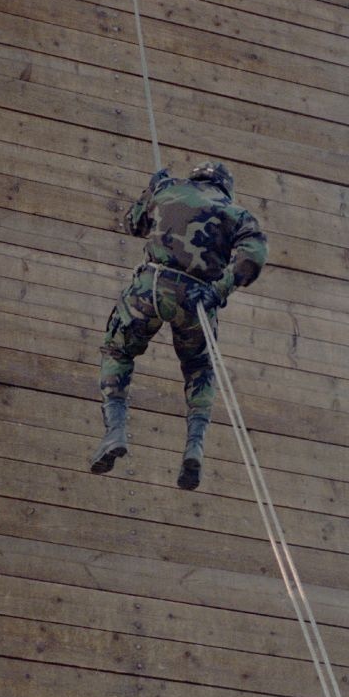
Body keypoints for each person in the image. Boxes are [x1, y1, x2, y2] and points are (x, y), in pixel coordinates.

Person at [91, 161, 268, 490]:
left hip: (151, 287)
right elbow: (254, 254)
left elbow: (132, 224)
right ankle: (194, 447)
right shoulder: (236, 212)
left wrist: (151, 189)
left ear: (196, 178)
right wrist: (219, 290)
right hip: (196, 298)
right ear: (225, 186)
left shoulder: (168, 188)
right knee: (199, 369)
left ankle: (114, 429)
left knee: (118, 351)